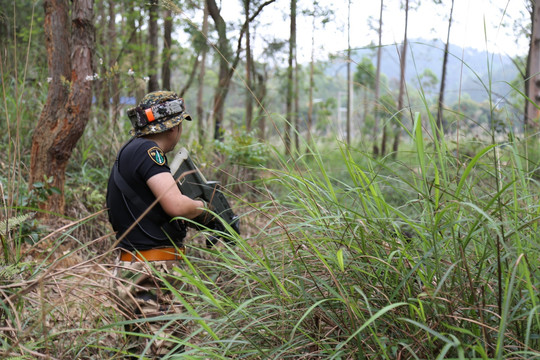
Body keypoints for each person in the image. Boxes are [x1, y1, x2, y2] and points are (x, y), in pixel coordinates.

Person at [106, 90, 209, 357]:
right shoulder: (149, 151)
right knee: (163, 351)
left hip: (135, 267)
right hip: (150, 271)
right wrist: (204, 208)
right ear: (174, 127)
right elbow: (175, 205)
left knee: (141, 350)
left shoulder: (130, 151)